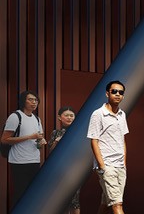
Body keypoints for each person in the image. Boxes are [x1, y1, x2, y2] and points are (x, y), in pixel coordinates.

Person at [87, 80, 129, 214]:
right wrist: (102, 166)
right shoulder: (98, 114)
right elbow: (94, 140)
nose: (117, 94)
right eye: (114, 91)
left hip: (120, 166)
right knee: (117, 205)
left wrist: (124, 163)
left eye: (121, 92)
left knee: (106, 203)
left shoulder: (122, 115)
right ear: (107, 93)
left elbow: (122, 140)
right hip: (107, 165)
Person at [4, 89, 46, 207]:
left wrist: (40, 142)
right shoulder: (15, 116)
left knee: (32, 193)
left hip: (34, 160)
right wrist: (29, 137)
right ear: (23, 101)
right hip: (19, 161)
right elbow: (4, 139)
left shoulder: (37, 119)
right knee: (20, 193)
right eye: (30, 99)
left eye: (36, 100)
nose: (34, 102)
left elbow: (37, 142)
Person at [49, 106, 82, 213]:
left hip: (74, 170)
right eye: (66, 115)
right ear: (59, 117)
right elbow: (51, 153)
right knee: (60, 200)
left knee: (74, 200)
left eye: (72, 115)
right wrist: (57, 142)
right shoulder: (56, 133)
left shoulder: (79, 132)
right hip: (58, 171)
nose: (69, 118)